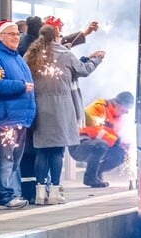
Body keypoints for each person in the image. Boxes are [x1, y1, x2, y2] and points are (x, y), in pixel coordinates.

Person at [24, 24, 105, 204]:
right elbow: (83, 70)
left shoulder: (31, 55)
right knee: (57, 152)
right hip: (61, 108)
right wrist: (96, 60)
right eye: (60, 35)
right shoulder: (65, 55)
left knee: (42, 151)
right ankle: (54, 191)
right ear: (55, 36)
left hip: (39, 107)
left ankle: (39, 192)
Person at [0, 20, 35, 210]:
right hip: (4, 118)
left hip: (19, 118)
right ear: (0, 36)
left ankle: (13, 194)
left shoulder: (16, 57)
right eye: (12, 34)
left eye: (17, 34)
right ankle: (5, 197)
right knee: (5, 160)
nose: (16, 37)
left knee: (14, 160)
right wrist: (21, 86)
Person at [69, 92, 133, 188]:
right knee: (101, 145)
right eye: (125, 109)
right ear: (117, 104)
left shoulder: (117, 117)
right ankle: (90, 178)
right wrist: (115, 141)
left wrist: (122, 143)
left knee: (122, 154)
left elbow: (112, 135)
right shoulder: (98, 107)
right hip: (79, 145)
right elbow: (93, 130)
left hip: (97, 145)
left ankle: (96, 172)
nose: (126, 112)